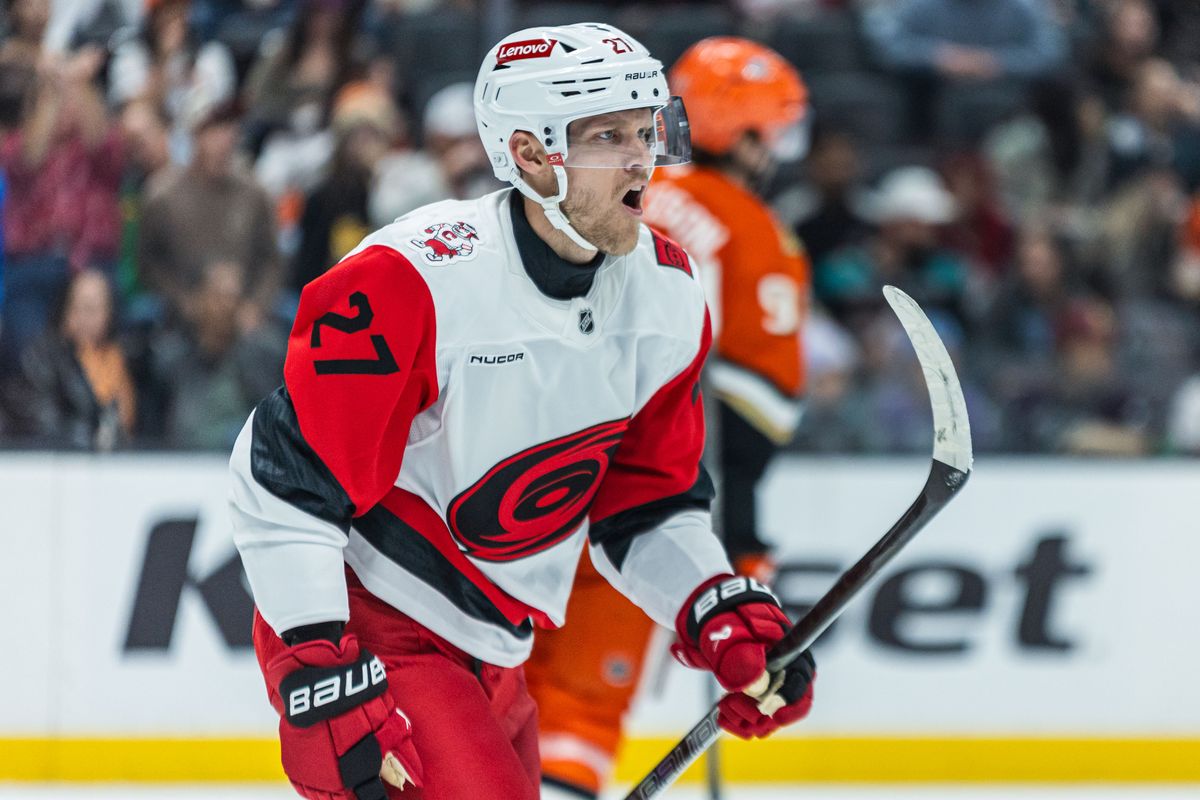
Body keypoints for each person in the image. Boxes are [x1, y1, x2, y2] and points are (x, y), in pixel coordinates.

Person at [228, 23, 817, 800]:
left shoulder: (669, 296)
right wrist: (314, 661)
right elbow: (282, 478)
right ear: (534, 155)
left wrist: (707, 602)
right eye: (610, 136)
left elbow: (646, 504)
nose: (643, 159)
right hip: (378, 621)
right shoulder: (414, 279)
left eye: (647, 130)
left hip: (501, 648)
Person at [524, 38, 814, 799]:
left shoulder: (606, 182)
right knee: (577, 712)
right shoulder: (753, 231)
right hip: (636, 499)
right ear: (745, 133)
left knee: (488, 694)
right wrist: (741, 550)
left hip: (512, 478)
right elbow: (750, 419)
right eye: (773, 129)